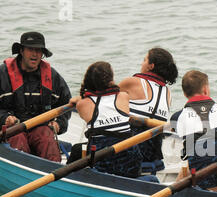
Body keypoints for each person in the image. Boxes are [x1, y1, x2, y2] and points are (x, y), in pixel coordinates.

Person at [0, 31, 71, 162]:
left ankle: (51, 173)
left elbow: (66, 105)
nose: (35, 54)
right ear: (21, 51)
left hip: (40, 129)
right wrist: (5, 118)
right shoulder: (2, 74)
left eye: (39, 50)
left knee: (46, 137)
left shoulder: (53, 77)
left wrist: (58, 124)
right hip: (12, 130)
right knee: (17, 138)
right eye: (30, 49)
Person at [170, 70, 217, 193]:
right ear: (206, 89)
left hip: (203, 187)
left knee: (191, 157)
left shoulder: (177, 117)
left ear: (184, 93)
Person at [69, 61, 143, 178]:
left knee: (76, 149)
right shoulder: (123, 97)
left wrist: (79, 99)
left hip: (102, 164)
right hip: (132, 164)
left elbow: (87, 101)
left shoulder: (82, 105)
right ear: (111, 80)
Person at [119, 48, 178, 174]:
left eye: (144, 60)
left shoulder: (133, 82)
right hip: (152, 157)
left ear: (151, 66)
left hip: (129, 153)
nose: (141, 63)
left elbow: (104, 101)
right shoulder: (167, 92)